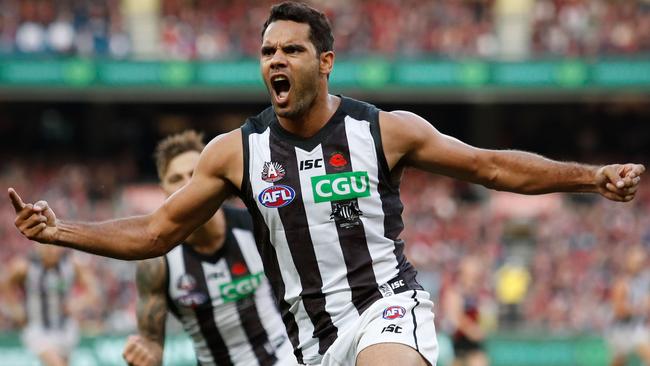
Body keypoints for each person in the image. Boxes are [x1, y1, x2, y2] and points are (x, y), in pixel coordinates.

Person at [8, 2, 645, 365]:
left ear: (325, 61)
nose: (276, 61)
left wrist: (590, 177)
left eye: (291, 50)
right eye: (267, 53)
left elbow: (490, 166)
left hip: (384, 309)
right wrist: (61, 229)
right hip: (308, 340)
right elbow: (155, 231)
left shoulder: (385, 131)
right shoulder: (237, 153)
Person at [121, 130, 295, 366]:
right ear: (164, 191)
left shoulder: (256, 226)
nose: (186, 187)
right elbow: (152, 345)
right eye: (175, 179)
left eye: (194, 175)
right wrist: (145, 356)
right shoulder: (157, 263)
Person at [0, 245, 98, 366]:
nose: (51, 250)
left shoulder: (72, 265)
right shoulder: (25, 266)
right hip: (38, 328)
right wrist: (16, 310)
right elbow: (5, 285)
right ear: (38, 246)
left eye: (55, 246)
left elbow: (93, 289)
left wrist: (77, 303)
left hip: (65, 327)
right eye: (46, 246)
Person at [441, 257, 490, 366]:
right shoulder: (455, 292)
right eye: (472, 272)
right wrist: (472, 330)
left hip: (474, 343)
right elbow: (455, 317)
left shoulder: (477, 292)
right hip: (459, 340)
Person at [606, 246, 650, 366]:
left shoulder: (644, 281)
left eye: (641, 261)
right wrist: (639, 309)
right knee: (619, 362)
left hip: (636, 327)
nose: (639, 264)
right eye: (636, 261)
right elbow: (618, 310)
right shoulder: (622, 283)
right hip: (622, 329)